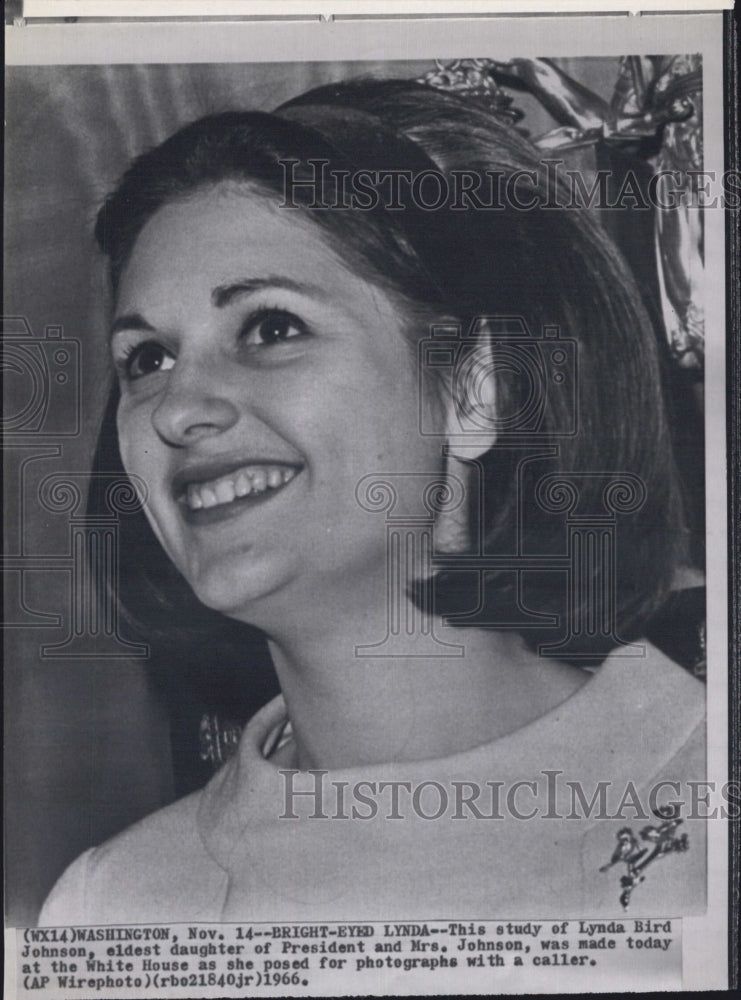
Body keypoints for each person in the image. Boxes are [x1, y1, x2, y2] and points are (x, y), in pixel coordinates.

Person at [39, 77, 705, 925]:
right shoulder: (111, 907)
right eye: (147, 359)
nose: (177, 408)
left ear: (474, 389)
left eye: (270, 328)